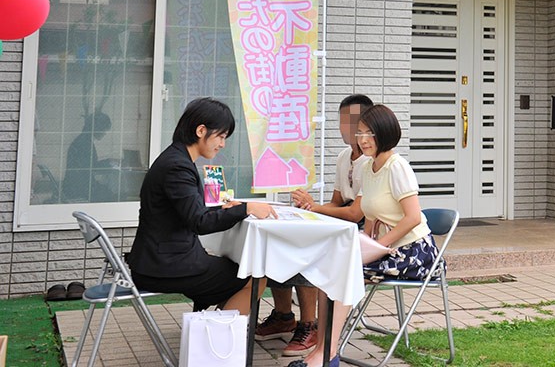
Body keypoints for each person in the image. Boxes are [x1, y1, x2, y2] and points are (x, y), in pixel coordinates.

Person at [287, 104, 440, 367]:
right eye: (360, 133)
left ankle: (329, 353)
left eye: (370, 133)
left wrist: (379, 245)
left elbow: (413, 217)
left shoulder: (397, 167)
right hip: (385, 248)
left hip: (414, 251)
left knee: (345, 271)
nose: (363, 139)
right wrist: (367, 243)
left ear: (385, 133)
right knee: (327, 269)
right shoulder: (368, 168)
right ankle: (321, 349)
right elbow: (370, 214)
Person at [127, 97, 277, 315]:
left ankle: (213, 325)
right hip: (164, 266)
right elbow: (199, 222)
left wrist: (225, 210)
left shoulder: (175, 158)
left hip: (161, 260)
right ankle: (219, 334)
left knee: (233, 268)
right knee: (254, 278)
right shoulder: (178, 167)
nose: (222, 144)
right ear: (201, 131)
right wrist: (246, 208)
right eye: (221, 136)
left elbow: (191, 212)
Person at [256, 94, 373, 357]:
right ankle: (284, 316)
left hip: (365, 233)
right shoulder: (344, 156)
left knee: (311, 251)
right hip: (343, 227)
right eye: (342, 120)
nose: (346, 127)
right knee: (283, 241)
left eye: (353, 121)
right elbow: (336, 203)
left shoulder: (371, 161)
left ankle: (310, 325)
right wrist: (307, 207)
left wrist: (314, 207)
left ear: (369, 124)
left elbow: (355, 213)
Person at [62, 111, 115, 203]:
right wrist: (110, 164)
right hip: (79, 188)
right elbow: (91, 167)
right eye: (104, 130)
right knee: (112, 195)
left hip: (75, 185)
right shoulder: (85, 143)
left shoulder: (83, 139)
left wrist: (108, 161)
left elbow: (88, 165)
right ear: (97, 128)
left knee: (107, 191)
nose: (105, 133)